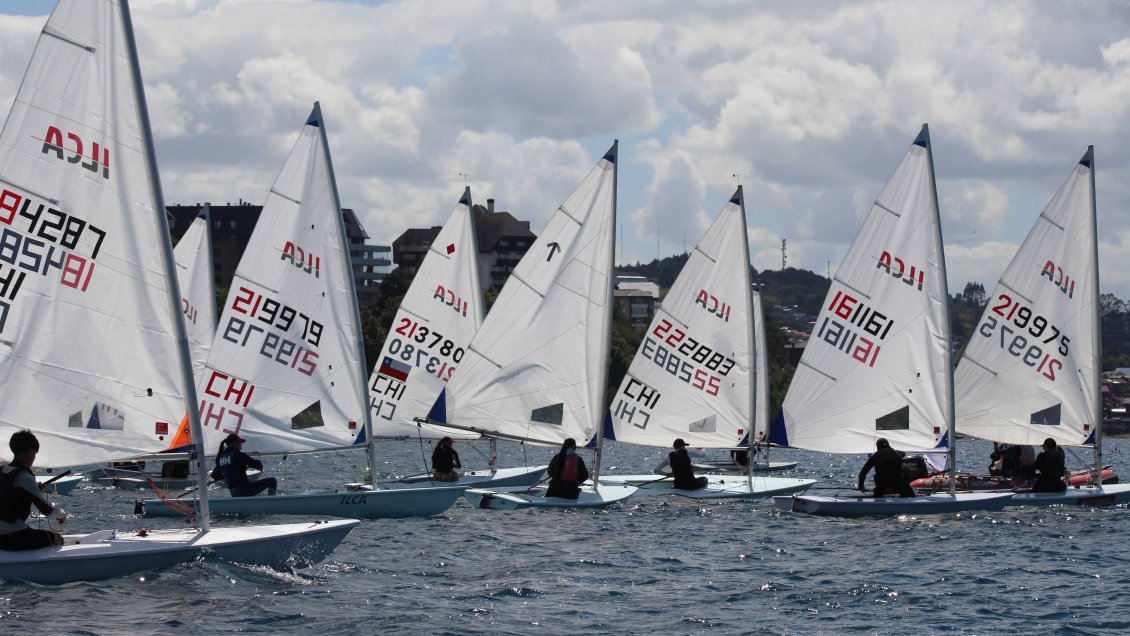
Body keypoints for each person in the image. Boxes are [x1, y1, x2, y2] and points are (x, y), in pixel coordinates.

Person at [0, 430, 65, 550]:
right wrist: (62, 514)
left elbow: (9, 492)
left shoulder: (2, 470)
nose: (34, 458)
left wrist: (34, 489)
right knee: (58, 539)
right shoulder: (24, 477)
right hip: (13, 537)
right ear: (30, 453)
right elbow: (48, 511)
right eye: (34, 454)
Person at [210, 433, 277, 497]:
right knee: (273, 481)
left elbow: (214, 475)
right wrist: (258, 464)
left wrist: (225, 475)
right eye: (240, 443)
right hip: (244, 490)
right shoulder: (239, 455)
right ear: (234, 443)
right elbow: (257, 465)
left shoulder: (221, 458)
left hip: (234, 493)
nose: (241, 445)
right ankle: (273, 504)